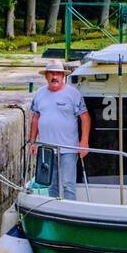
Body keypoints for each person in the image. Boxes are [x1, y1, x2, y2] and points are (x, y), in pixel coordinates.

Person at [28, 59, 90, 199]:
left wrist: (84, 142)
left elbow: (85, 118)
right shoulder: (39, 93)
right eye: (51, 74)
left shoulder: (73, 94)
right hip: (47, 149)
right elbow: (35, 117)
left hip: (68, 148)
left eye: (58, 73)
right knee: (51, 185)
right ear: (46, 76)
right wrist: (33, 142)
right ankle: (53, 214)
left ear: (63, 76)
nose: (54, 77)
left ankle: (70, 213)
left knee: (68, 184)